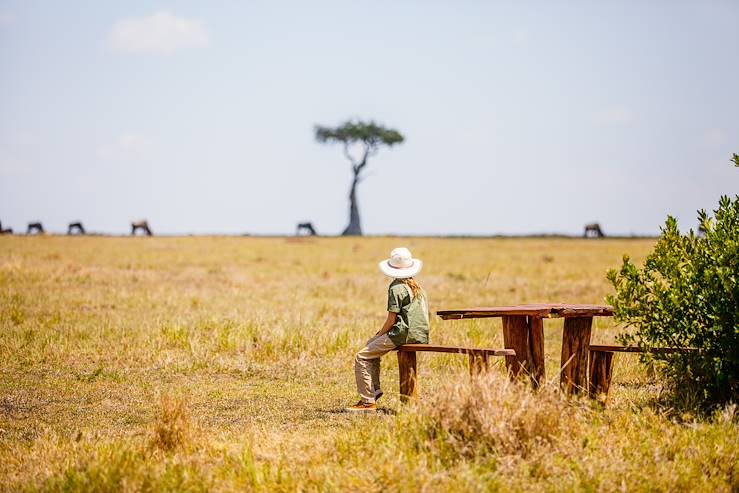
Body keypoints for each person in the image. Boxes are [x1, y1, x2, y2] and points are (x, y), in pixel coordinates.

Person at [346, 247, 430, 413]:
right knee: (372, 349)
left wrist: (378, 334)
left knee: (362, 356)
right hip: (420, 335)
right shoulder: (418, 286)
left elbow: (392, 320)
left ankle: (367, 401)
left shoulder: (395, 287)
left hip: (402, 334)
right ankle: (374, 391)